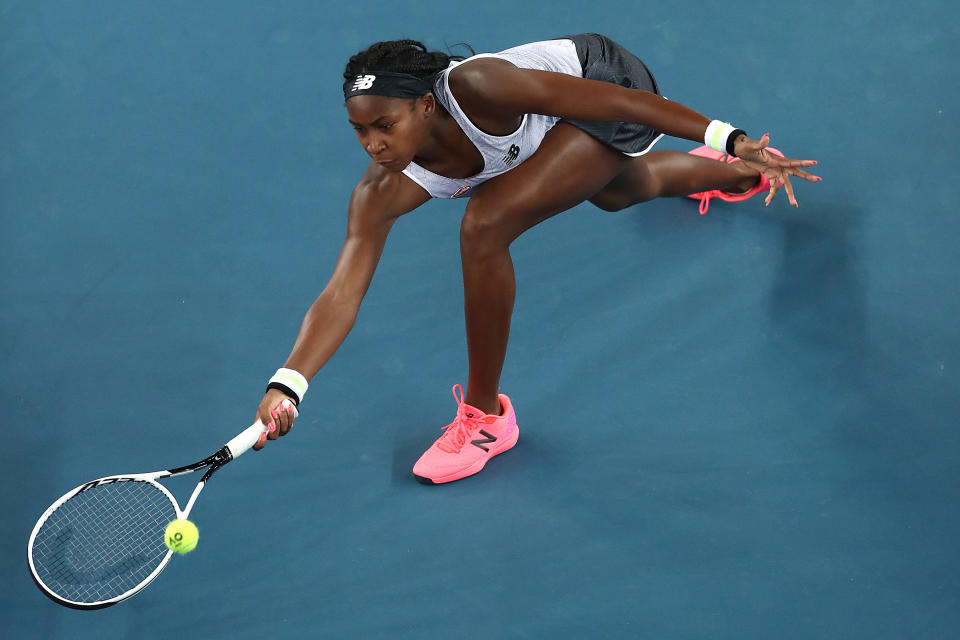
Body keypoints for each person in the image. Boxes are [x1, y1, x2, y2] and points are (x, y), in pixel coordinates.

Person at [252, 33, 821, 484]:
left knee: (486, 224)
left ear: (427, 105)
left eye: (385, 125)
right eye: (359, 130)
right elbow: (342, 292)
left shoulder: (481, 88)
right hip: (556, 125)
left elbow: (621, 103)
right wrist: (290, 383)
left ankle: (486, 420)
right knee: (620, 190)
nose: (373, 144)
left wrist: (730, 135)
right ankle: (739, 177)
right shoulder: (379, 191)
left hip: (607, 81)